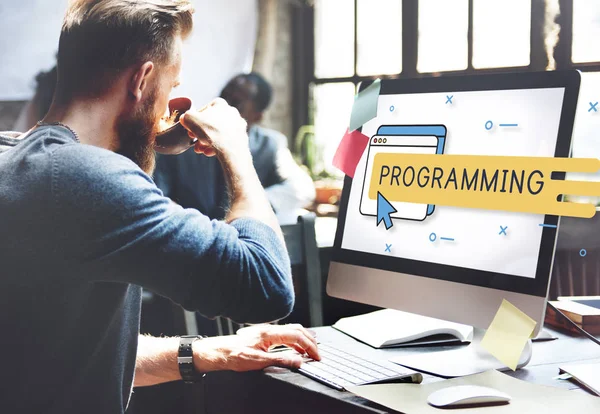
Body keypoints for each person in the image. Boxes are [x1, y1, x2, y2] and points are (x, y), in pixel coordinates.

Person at [0, 1, 319, 413]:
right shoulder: (86, 177)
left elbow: (64, 354)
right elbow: (267, 286)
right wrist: (237, 151)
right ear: (142, 79)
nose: (168, 104)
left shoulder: (16, 157)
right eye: (171, 86)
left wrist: (214, 351)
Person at [154, 72, 315, 222]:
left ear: (257, 116)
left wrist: (250, 206)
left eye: (236, 102)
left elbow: (302, 188)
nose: (224, 105)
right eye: (223, 96)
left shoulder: (270, 145)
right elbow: (158, 195)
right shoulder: (183, 141)